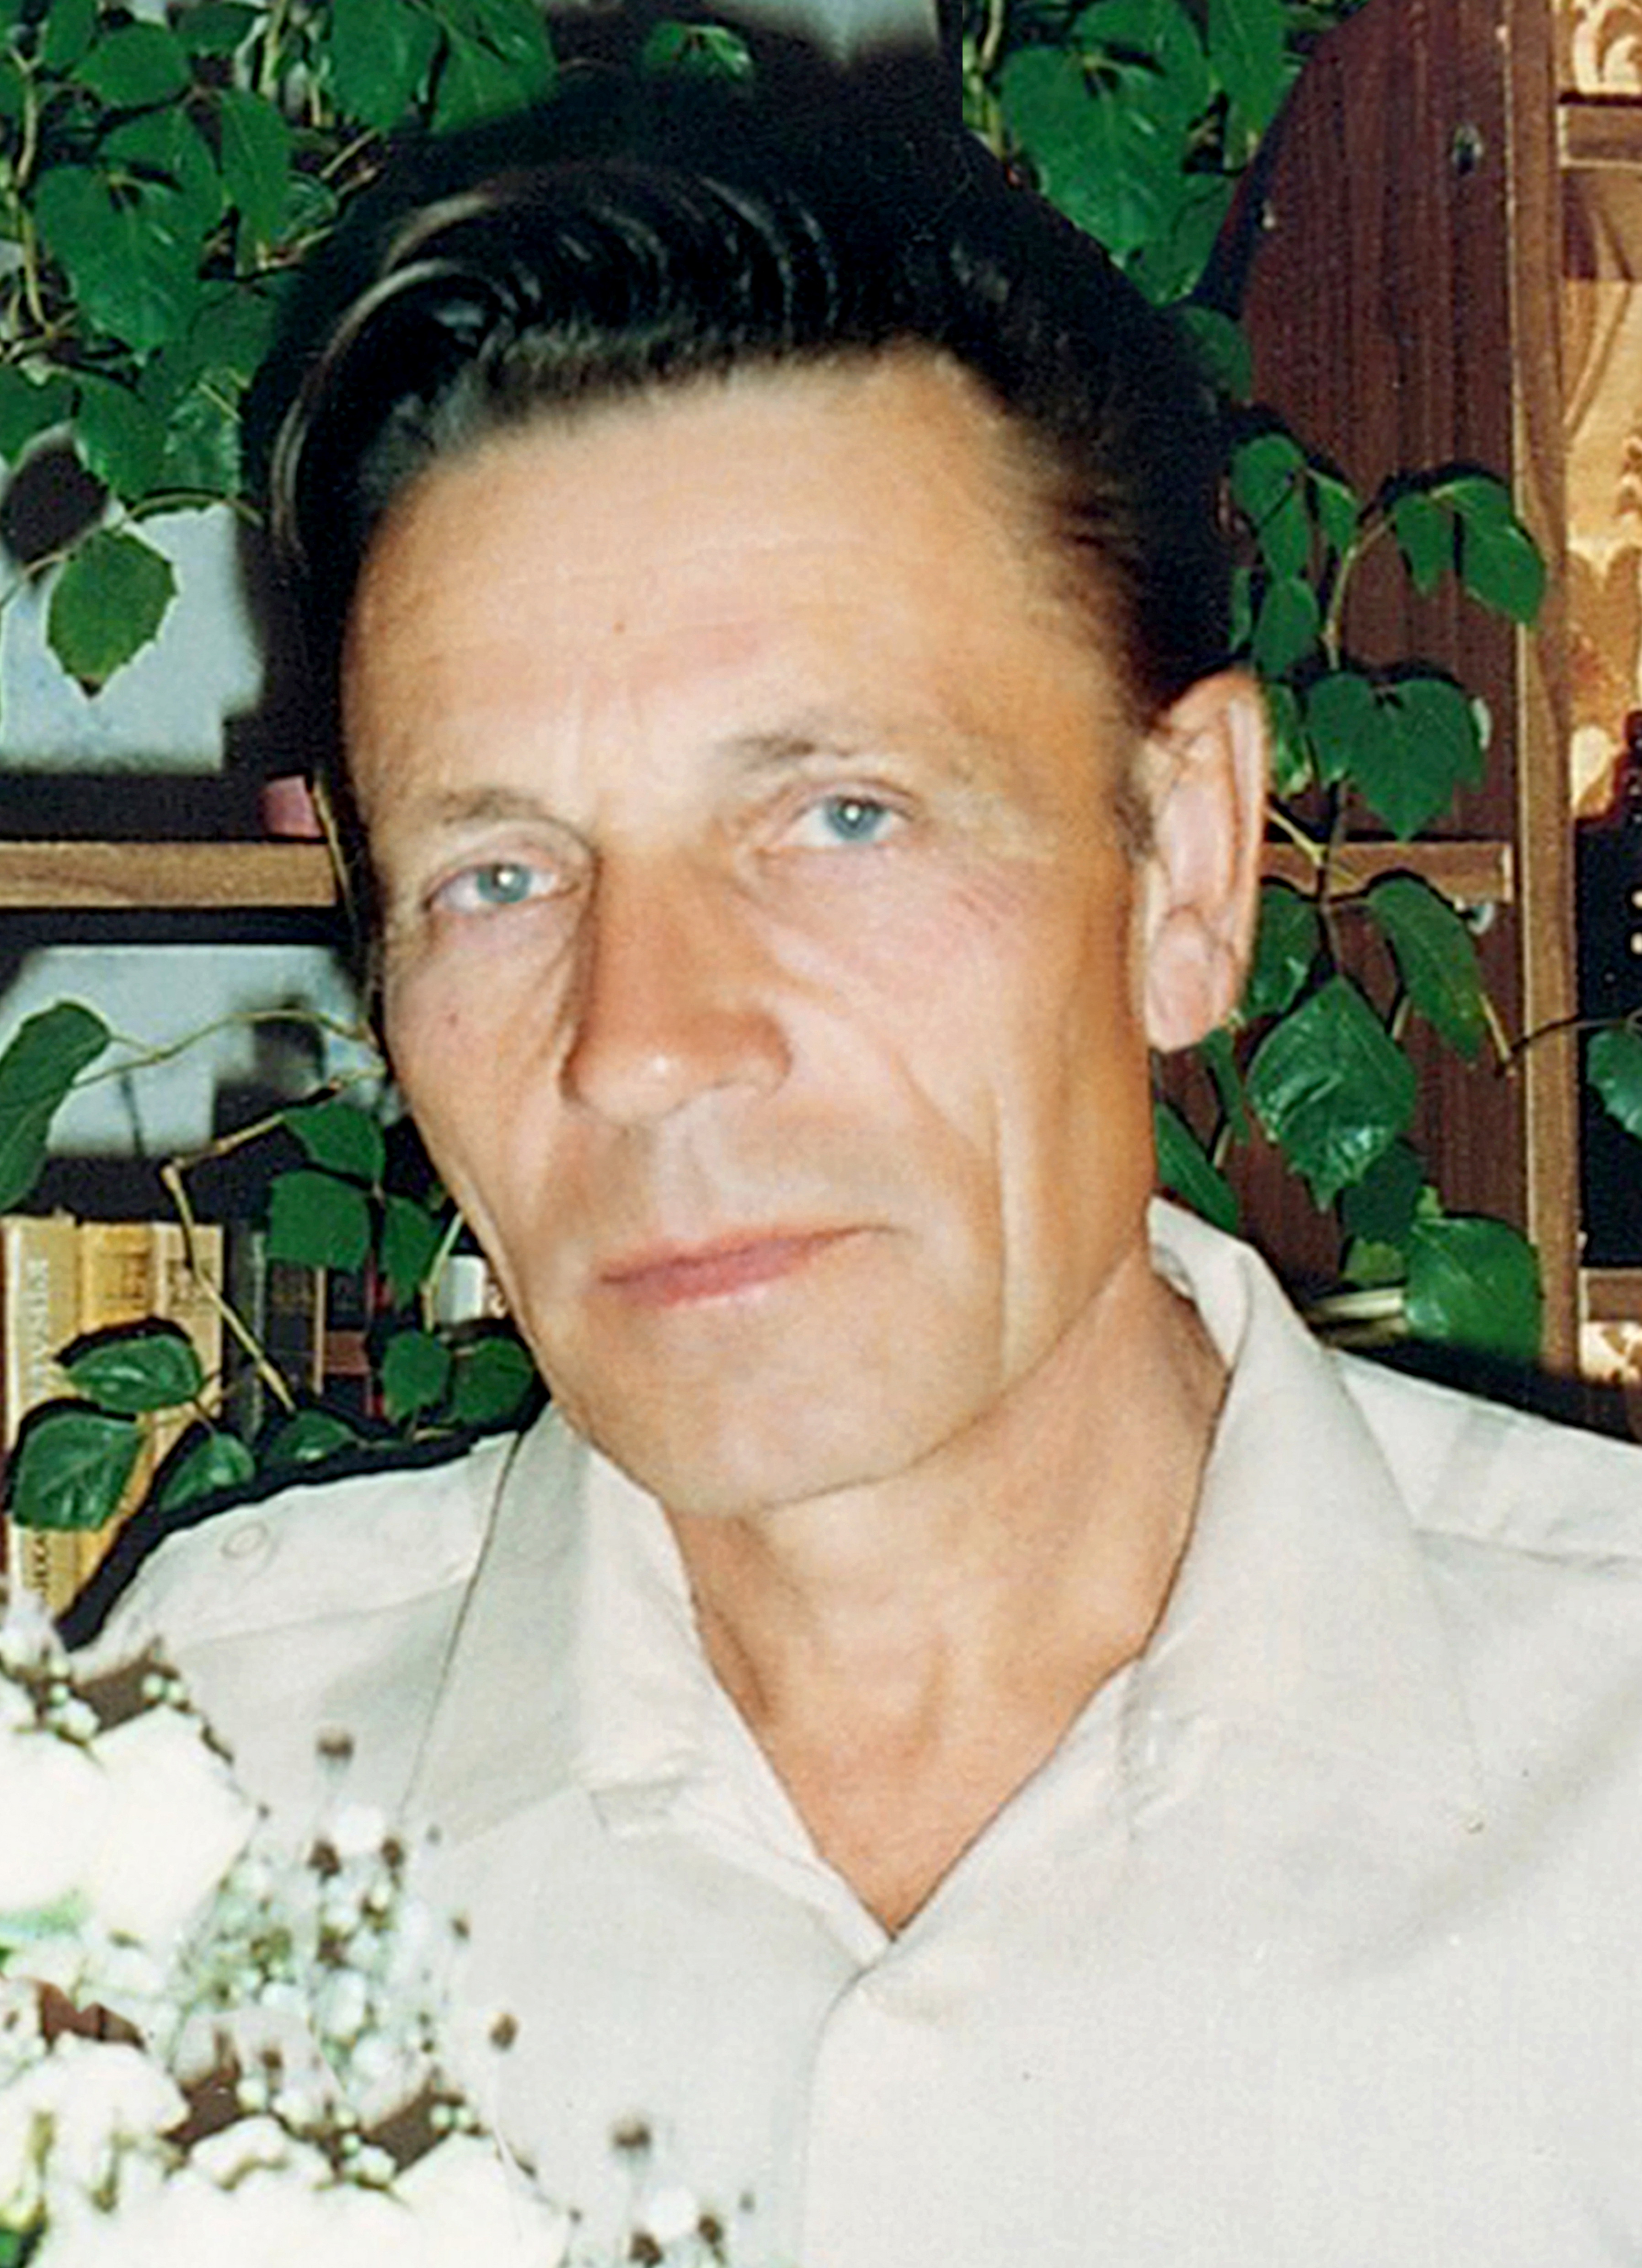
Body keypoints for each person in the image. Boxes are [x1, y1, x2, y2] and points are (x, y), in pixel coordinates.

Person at [102, 79, 1642, 2268]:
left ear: (1184, 863)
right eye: (500, 872)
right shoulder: (182, 1790)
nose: (644, 1039)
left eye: (840, 817)